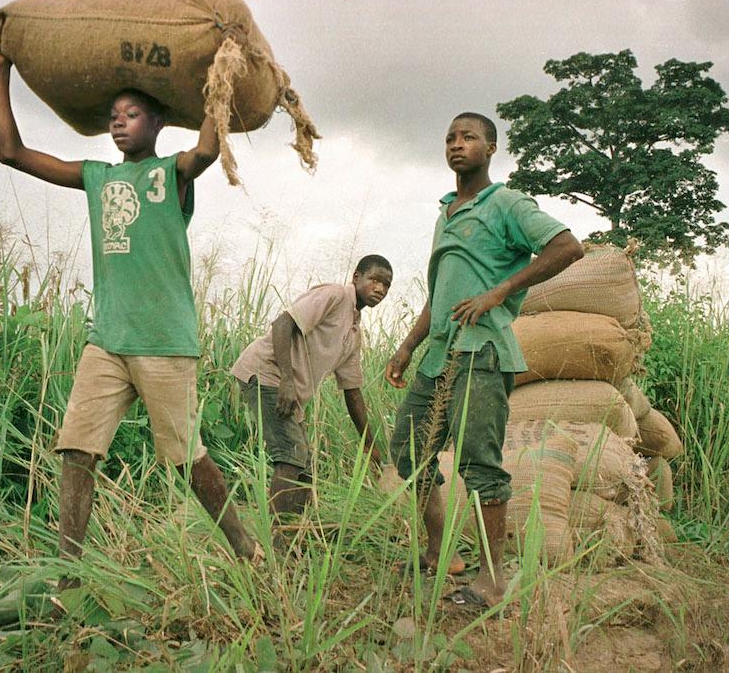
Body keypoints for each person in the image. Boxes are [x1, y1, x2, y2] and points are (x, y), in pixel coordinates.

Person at [0, 34, 260, 571]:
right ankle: (69, 575)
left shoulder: (171, 173)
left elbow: (206, 149)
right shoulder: (97, 177)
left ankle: (244, 547)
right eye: (114, 114)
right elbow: (10, 153)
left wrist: (219, 78)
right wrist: (1, 70)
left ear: (157, 125)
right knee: (76, 451)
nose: (119, 121)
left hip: (162, 341)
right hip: (107, 339)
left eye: (133, 114)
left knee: (185, 459)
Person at [385, 112, 583, 610]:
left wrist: (500, 292)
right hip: (437, 357)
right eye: (450, 136)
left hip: (482, 356)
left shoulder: (506, 204)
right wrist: (408, 346)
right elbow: (440, 294)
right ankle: (440, 552)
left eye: (468, 137)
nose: (456, 144)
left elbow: (568, 247)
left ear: (491, 148)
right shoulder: (447, 213)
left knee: (480, 467)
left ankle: (493, 582)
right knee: (408, 451)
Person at [232, 256, 393, 520]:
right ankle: (277, 540)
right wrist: (287, 380)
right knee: (291, 455)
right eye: (374, 280)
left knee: (304, 467)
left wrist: (369, 444)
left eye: (386, 285)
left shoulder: (353, 332)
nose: (380, 289)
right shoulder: (336, 295)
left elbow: (352, 391)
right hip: (266, 373)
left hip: (285, 385)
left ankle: (297, 533)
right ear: (356, 277)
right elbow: (283, 324)